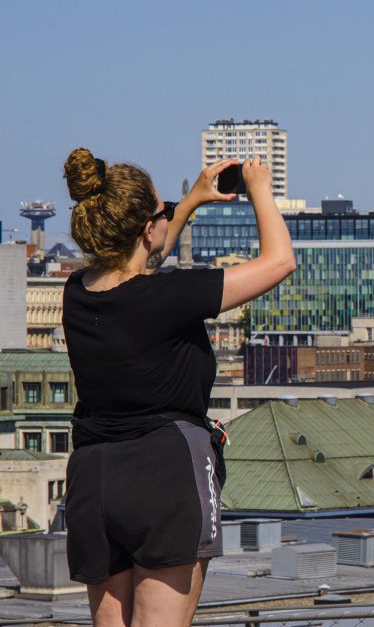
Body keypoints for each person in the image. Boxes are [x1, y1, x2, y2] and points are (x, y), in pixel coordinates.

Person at [61, 148, 295, 627]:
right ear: (148, 228)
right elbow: (279, 262)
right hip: (164, 471)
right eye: (162, 211)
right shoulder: (168, 296)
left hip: (93, 475)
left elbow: (137, 262)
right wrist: (260, 191)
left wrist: (187, 202)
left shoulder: (78, 292)